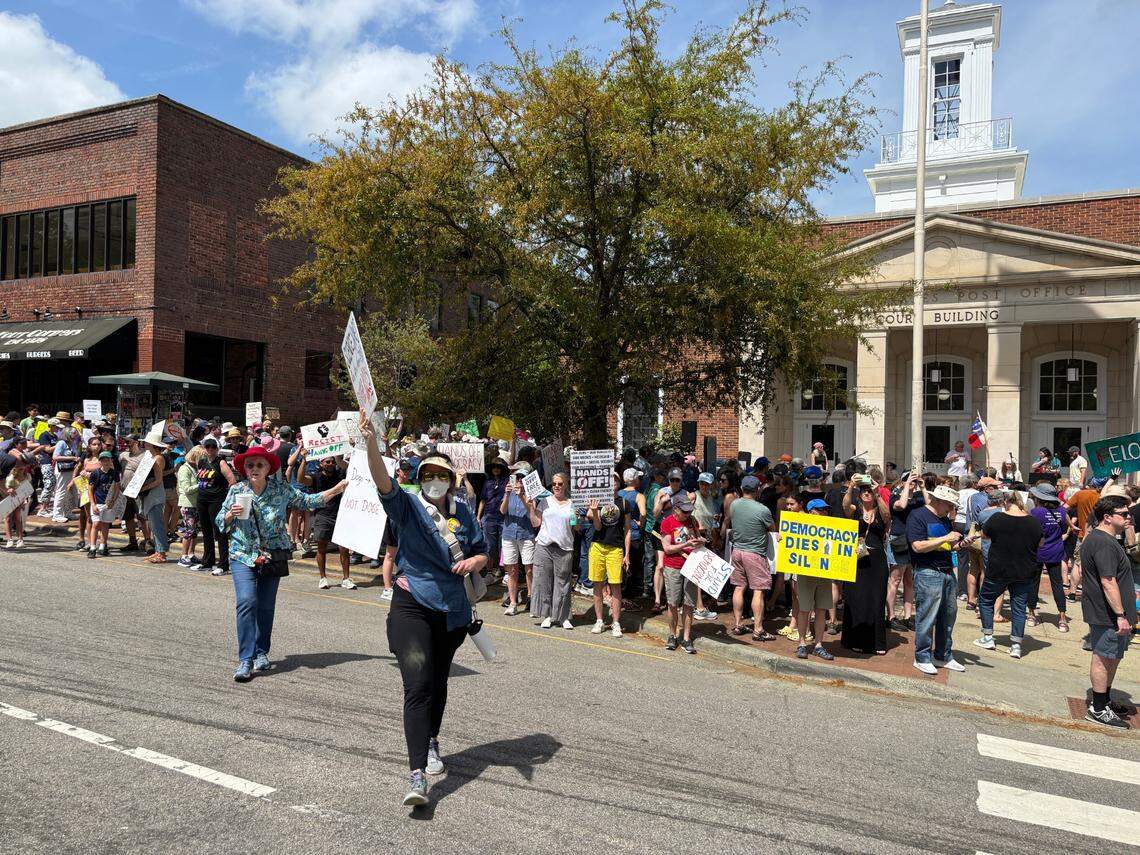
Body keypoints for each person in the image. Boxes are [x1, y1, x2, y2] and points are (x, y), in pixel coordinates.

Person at [360, 415, 488, 806]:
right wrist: (370, 443)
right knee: (416, 685)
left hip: (451, 612)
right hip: (411, 605)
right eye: (428, 473)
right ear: (420, 477)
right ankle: (416, 776)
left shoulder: (464, 512)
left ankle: (432, 741)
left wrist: (474, 564)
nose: (435, 480)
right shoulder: (408, 507)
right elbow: (383, 481)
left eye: (442, 474)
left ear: (451, 480)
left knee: (437, 683)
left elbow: (484, 552)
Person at [218, 445, 345, 683]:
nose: (254, 469)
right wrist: (229, 515)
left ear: (268, 468)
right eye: (250, 465)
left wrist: (337, 489)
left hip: (271, 555)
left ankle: (261, 652)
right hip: (242, 554)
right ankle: (245, 659)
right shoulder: (237, 490)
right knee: (247, 601)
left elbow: (308, 501)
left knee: (265, 606)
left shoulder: (280, 489)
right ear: (244, 469)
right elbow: (219, 522)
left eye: (259, 465)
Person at [1079, 495, 1136, 728]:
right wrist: (1120, 615)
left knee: (1112, 656)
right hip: (1108, 614)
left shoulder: (1108, 539)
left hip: (1114, 613)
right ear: (1107, 517)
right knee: (1103, 657)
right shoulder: (1102, 542)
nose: (1129, 517)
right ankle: (1098, 708)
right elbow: (1108, 581)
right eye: (1124, 514)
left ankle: (1104, 699)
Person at [908, 484, 969, 675]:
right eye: (950, 505)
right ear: (939, 501)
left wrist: (961, 544)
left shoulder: (944, 519)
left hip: (947, 571)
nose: (952, 509)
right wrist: (945, 537)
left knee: (948, 615)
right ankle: (922, 657)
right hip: (927, 572)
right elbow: (917, 546)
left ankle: (943, 655)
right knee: (927, 616)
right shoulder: (918, 516)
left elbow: (948, 546)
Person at [973, 491, 1042, 660]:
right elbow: (1041, 543)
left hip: (999, 568)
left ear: (1005, 502)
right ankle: (1016, 645)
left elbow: (985, 535)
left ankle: (988, 636)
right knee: (1019, 607)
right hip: (1024, 570)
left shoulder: (997, 519)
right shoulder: (1033, 522)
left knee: (986, 599)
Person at [840, 475, 891, 655]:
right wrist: (851, 487)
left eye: (869, 491)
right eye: (864, 491)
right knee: (857, 598)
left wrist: (878, 494)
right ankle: (853, 639)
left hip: (877, 561)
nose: (867, 494)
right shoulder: (855, 509)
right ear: (859, 494)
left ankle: (877, 642)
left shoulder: (879, 509)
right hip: (858, 558)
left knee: (876, 599)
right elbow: (845, 506)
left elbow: (887, 516)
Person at [727, 475, 776, 641]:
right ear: (758, 490)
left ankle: (738, 624)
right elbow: (772, 529)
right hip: (755, 553)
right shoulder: (762, 509)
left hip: (737, 551)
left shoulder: (734, 504)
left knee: (739, 587)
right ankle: (758, 629)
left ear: (742, 488)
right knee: (758, 590)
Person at [527, 473, 578, 629]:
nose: (556, 486)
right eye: (554, 483)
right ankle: (548, 615)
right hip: (544, 546)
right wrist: (531, 507)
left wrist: (578, 519)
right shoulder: (545, 502)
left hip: (564, 547)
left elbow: (577, 527)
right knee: (544, 582)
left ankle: (563, 617)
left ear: (566, 485)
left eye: (560, 483)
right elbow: (536, 523)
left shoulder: (572, 504)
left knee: (563, 583)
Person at [300, 453, 357, 590]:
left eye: (332, 462)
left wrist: (339, 457)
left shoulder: (340, 475)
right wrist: (303, 460)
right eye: (327, 462)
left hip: (340, 515)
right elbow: (301, 479)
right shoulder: (316, 477)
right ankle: (323, 578)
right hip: (322, 515)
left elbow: (350, 468)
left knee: (344, 549)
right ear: (321, 464)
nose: (330, 464)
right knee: (321, 548)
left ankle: (346, 578)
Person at [660, 492, 703, 654]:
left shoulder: (692, 521)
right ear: (675, 509)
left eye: (690, 511)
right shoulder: (667, 523)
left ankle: (686, 638)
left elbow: (698, 539)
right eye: (685, 511)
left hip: (691, 566)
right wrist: (685, 544)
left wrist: (699, 542)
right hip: (673, 566)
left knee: (689, 603)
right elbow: (667, 548)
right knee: (672, 603)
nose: (688, 514)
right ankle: (672, 635)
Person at [792, 498, 836, 657]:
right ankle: (802, 643)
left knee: (821, 610)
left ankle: (818, 645)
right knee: (804, 610)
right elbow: (790, 543)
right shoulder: (799, 527)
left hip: (824, 574)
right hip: (805, 574)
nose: (824, 512)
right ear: (811, 512)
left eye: (825, 510)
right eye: (820, 510)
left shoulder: (832, 529)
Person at [1027, 482, 1071, 632]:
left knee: (1033, 583)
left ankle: (1031, 614)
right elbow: (1064, 530)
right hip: (1056, 550)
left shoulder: (1035, 512)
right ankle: (1063, 618)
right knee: (1057, 584)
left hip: (1038, 550)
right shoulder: (1062, 512)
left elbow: (1032, 532)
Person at [587, 495, 630, 637]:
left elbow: (628, 528)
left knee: (615, 584)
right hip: (598, 545)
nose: (613, 483)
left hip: (616, 547)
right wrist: (594, 511)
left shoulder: (623, 502)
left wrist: (627, 553)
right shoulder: (599, 498)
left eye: (616, 480)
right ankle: (599, 620)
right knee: (597, 583)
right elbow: (598, 526)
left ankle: (616, 622)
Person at [500, 461, 537, 615]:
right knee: (512, 569)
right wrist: (508, 495)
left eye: (522, 478)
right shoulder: (508, 491)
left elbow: (532, 512)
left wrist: (521, 496)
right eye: (517, 477)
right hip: (509, 534)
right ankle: (513, 602)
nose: (519, 481)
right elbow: (502, 511)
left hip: (526, 534)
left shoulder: (531, 493)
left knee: (529, 569)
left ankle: (531, 597)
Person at [194, 437, 236, 574]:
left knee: (220, 532)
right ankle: (207, 561)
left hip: (216, 500)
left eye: (213, 447)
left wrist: (228, 500)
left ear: (217, 449)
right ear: (204, 448)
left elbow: (232, 481)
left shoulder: (221, 462)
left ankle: (223, 564)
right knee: (206, 531)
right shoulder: (202, 461)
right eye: (208, 447)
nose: (210, 449)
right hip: (202, 499)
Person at [137, 425, 171, 564]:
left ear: (151, 444)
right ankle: (158, 551)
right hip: (151, 494)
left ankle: (161, 553)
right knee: (153, 524)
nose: (144, 444)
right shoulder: (151, 457)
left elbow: (158, 480)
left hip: (155, 494)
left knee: (157, 525)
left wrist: (143, 487)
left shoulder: (158, 458)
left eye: (146, 442)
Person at [85, 451, 121, 559]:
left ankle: (103, 545)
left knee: (105, 524)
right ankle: (92, 547)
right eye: (103, 460)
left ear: (111, 461)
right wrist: (93, 504)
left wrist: (113, 501)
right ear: (100, 461)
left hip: (108, 503)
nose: (106, 462)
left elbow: (117, 487)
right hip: (98, 502)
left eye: (108, 460)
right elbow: (90, 489)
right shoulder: (95, 473)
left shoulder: (114, 473)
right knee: (96, 524)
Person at [175, 447, 204, 568]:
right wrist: (200, 484)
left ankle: (191, 554)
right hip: (187, 504)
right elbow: (186, 489)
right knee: (189, 530)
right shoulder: (184, 469)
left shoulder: (194, 468)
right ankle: (183, 556)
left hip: (195, 503)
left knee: (195, 531)